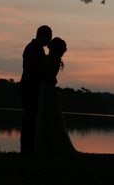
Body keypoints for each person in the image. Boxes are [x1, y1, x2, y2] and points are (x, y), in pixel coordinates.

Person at [35, 37, 76, 155]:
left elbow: (47, 74)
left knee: (49, 116)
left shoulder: (52, 59)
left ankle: (48, 145)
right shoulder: (53, 59)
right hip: (47, 89)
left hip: (47, 90)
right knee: (48, 116)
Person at [20, 25, 51, 154]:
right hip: (29, 87)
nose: (49, 40)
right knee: (29, 118)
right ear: (42, 36)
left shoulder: (36, 48)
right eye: (48, 37)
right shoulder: (33, 49)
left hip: (32, 87)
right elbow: (35, 69)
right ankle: (26, 148)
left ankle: (29, 147)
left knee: (31, 118)